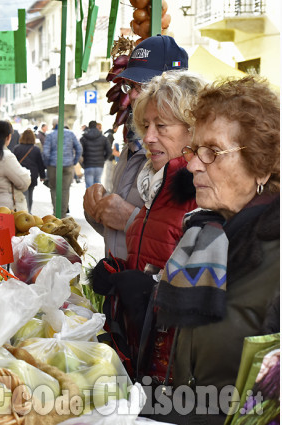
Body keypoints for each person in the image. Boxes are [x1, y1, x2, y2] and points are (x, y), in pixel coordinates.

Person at [149, 76, 280, 425]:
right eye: (194, 150)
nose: (192, 164)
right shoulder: (204, 235)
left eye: (213, 152)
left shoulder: (275, 254)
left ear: (261, 165)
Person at [91, 71, 206, 381]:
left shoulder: (202, 195)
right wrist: (117, 272)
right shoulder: (155, 187)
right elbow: (154, 257)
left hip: (177, 378)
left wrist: (150, 293)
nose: (149, 137)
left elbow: (209, 301)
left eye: (162, 126)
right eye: (146, 126)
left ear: (193, 130)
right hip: (142, 364)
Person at [83, 35, 188, 258]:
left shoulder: (186, 159)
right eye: (130, 86)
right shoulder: (132, 146)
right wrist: (98, 208)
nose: (132, 94)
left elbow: (186, 247)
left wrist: (130, 219)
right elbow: (118, 230)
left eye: (145, 85)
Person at [0, 120, 31, 211]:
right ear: (8, 136)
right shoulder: (5, 157)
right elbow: (23, 183)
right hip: (7, 208)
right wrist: (27, 172)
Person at [42, 118, 83, 215]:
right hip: (68, 165)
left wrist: (47, 163)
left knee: (54, 188)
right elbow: (79, 149)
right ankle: (63, 212)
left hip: (53, 165)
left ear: (53, 124)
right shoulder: (70, 134)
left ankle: (56, 211)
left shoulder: (50, 135)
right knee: (65, 189)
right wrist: (74, 161)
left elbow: (46, 152)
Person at [13, 129, 46, 213]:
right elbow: (40, 163)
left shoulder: (17, 148)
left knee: (21, 194)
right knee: (30, 194)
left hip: (19, 175)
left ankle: (21, 212)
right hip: (32, 175)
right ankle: (28, 211)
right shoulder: (36, 149)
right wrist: (42, 176)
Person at [80, 120, 112, 188]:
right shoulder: (103, 138)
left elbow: (80, 151)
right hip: (99, 165)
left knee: (89, 187)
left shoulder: (84, 138)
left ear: (89, 127)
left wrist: (82, 163)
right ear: (96, 126)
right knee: (97, 186)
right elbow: (109, 151)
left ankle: (89, 199)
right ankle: (97, 198)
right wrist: (103, 159)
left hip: (88, 164)